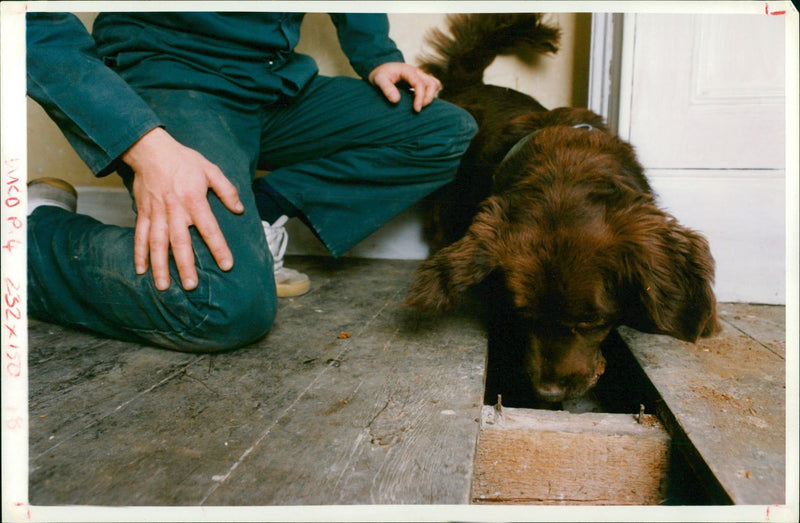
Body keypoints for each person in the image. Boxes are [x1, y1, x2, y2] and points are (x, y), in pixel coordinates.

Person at [26, 12, 477, 352]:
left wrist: (377, 54)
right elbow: (26, 20)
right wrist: (142, 143)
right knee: (222, 302)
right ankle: (25, 239)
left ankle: (253, 218)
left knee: (445, 131)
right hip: (174, 78)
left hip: (273, 82)